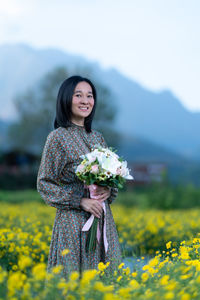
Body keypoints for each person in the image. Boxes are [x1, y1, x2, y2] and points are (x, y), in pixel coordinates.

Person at [37, 75, 122, 279]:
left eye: (90, 96)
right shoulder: (57, 138)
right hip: (72, 222)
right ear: (66, 99)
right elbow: (44, 184)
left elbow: (111, 182)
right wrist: (80, 201)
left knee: (106, 281)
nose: (85, 101)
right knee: (73, 282)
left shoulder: (97, 136)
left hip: (102, 218)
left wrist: (108, 189)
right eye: (78, 95)